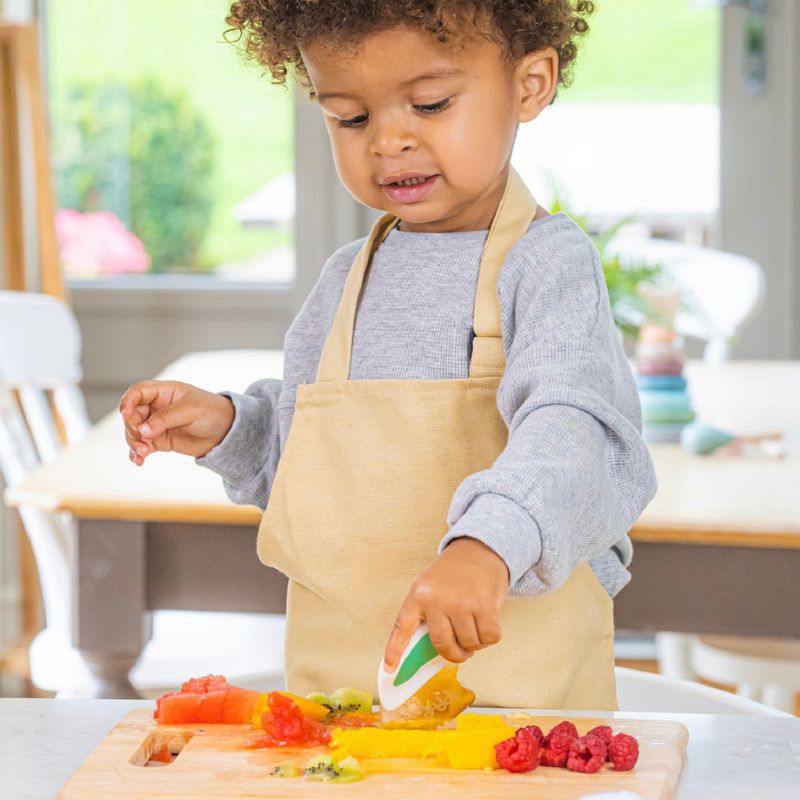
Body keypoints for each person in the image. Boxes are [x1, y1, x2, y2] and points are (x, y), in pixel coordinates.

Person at [119, 0, 656, 710]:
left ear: (530, 84)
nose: (388, 141)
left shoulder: (546, 266)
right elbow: (309, 477)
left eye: (430, 104)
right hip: (340, 719)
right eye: (351, 117)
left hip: (523, 720)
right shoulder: (347, 280)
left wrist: (487, 547)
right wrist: (229, 429)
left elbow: (576, 436)